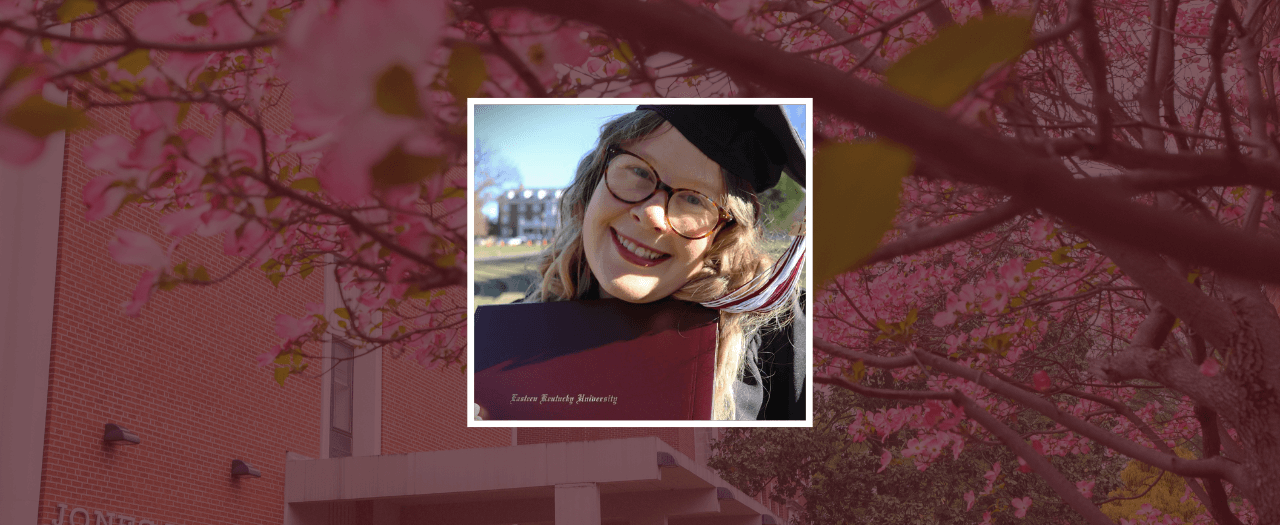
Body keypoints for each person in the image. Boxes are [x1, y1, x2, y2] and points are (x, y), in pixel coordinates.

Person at [522, 104, 808, 421]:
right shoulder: (502, 337)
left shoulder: (784, 344)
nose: (652, 215)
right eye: (639, 172)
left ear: (724, 236)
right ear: (593, 185)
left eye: (695, 199)